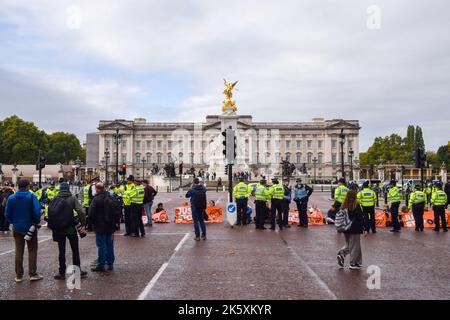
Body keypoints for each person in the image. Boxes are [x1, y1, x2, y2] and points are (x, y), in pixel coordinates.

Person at [4, 179, 43, 283]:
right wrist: (36, 222)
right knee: (32, 250)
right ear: (27, 186)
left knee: (18, 251)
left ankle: (18, 275)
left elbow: (7, 213)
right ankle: (32, 273)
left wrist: (13, 222)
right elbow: (37, 211)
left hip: (17, 227)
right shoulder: (31, 197)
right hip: (30, 227)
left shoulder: (11, 198)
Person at [48, 182, 87, 280]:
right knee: (75, 250)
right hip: (70, 228)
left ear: (60, 189)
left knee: (61, 251)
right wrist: (83, 224)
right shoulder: (72, 198)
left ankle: (61, 273)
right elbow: (81, 211)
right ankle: (77, 271)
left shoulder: (55, 198)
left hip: (59, 229)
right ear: (68, 188)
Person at [337, 190, 367, 270]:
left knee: (351, 245)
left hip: (346, 228)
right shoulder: (356, 205)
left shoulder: (344, 204)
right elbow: (360, 217)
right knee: (354, 246)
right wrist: (365, 228)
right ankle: (353, 263)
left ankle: (357, 262)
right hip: (355, 228)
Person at [89, 183, 116, 272]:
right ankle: (110, 263)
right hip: (110, 225)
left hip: (100, 225)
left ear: (97, 189)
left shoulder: (96, 199)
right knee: (110, 245)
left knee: (101, 246)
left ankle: (101, 264)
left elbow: (91, 213)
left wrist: (91, 223)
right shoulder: (111, 197)